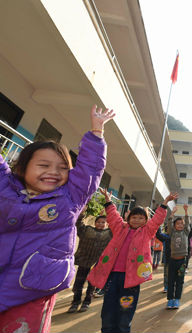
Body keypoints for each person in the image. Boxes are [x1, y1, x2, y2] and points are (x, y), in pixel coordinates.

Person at [0, 105, 112, 332]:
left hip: (33, 288)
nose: (53, 171)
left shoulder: (69, 198)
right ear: (23, 167)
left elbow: (90, 170)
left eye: (63, 168)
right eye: (43, 165)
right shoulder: (5, 187)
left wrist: (96, 132)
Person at [87, 190, 177, 333]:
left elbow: (157, 220)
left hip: (131, 280)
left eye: (141, 218)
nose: (137, 220)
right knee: (108, 309)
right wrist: (108, 201)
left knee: (125, 311)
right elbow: (113, 216)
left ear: (145, 221)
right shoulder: (120, 228)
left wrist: (164, 203)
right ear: (128, 218)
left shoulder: (147, 232)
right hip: (113, 277)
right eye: (134, 217)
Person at [68, 213, 112, 313]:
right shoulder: (87, 230)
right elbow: (78, 224)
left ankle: (86, 302)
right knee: (78, 284)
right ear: (95, 223)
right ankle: (75, 302)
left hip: (96, 265)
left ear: (107, 224)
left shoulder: (109, 234)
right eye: (98, 222)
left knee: (92, 285)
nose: (100, 224)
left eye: (103, 222)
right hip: (84, 262)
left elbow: (117, 227)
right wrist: (82, 213)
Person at [166, 204, 192, 309]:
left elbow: (188, 223)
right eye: (178, 224)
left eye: (181, 224)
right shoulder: (172, 232)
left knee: (179, 281)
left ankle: (177, 299)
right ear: (174, 226)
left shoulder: (185, 232)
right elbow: (169, 224)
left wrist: (186, 212)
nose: (180, 225)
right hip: (173, 260)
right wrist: (172, 214)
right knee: (171, 281)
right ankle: (170, 299)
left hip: (182, 261)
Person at [156, 207, 175, 293]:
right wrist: (158, 224)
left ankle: (172, 286)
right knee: (166, 274)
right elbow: (158, 235)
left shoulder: (176, 236)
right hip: (168, 259)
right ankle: (166, 287)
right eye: (167, 229)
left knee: (174, 274)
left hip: (176, 259)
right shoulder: (166, 237)